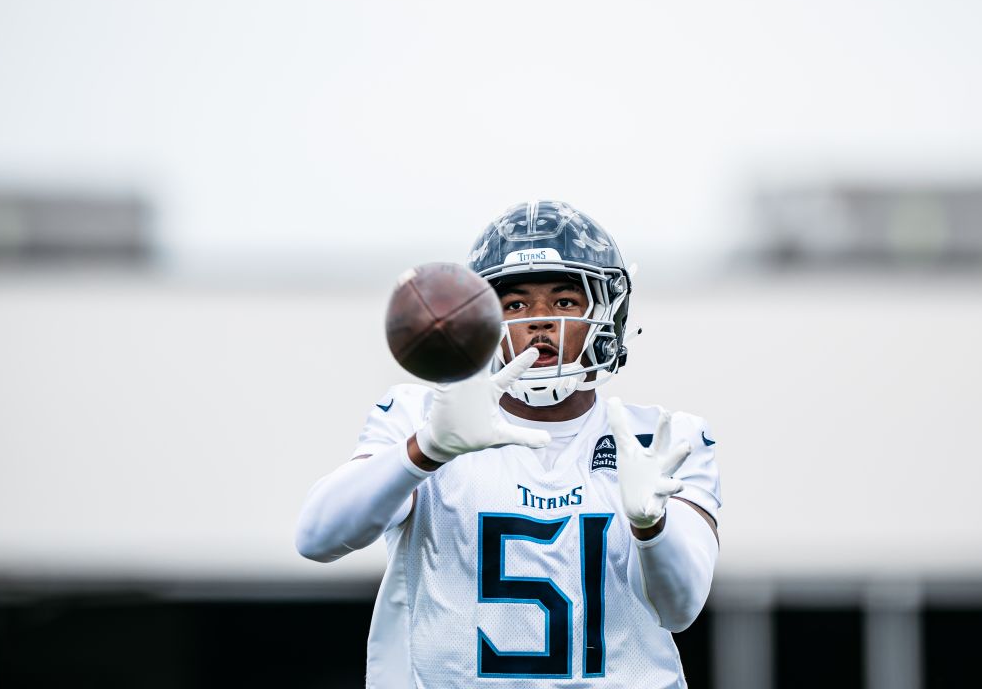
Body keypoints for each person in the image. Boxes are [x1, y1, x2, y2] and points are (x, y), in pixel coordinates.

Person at [294, 200, 721, 688]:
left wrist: (651, 525)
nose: (540, 321)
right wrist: (425, 450)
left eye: (564, 302)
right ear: (479, 323)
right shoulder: (423, 417)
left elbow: (681, 608)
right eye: (515, 304)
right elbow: (317, 538)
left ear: (607, 312)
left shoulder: (663, 439)